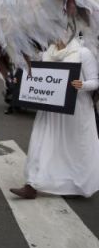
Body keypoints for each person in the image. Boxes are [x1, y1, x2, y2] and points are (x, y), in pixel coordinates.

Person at [10, 35, 99, 199]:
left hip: (76, 111)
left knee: (74, 148)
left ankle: (76, 186)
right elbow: (36, 76)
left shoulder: (82, 53)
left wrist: (82, 85)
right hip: (50, 111)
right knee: (40, 143)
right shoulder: (46, 55)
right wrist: (21, 81)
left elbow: (95, 81)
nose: (57, 37)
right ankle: (31, 185)